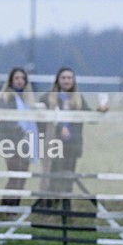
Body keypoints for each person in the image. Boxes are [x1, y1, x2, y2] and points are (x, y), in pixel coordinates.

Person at [37, 66, 107, 208]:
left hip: (72, 144)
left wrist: (100, 110)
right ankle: (50, 205)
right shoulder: (47, 97)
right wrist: (58, 128)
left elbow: (89, 117)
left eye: (69, 78)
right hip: (54, 144)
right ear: (58, 80)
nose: (67, 81)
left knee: (69, 176)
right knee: (53, 175)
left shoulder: (78, 99)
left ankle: (66, 205)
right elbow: (39, 121)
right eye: (64, 78)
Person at [0, 67, 37, 214]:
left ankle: (14, 207)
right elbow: (7, 122)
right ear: (11, 80)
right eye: (17, 78)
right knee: (15, 174)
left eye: (22, 78)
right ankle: (7, 208)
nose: (20, 81)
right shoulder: (6, 97)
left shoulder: (26, 98)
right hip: (11, 143)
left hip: (25, 142)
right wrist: (22, 133)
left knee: (23, 175)